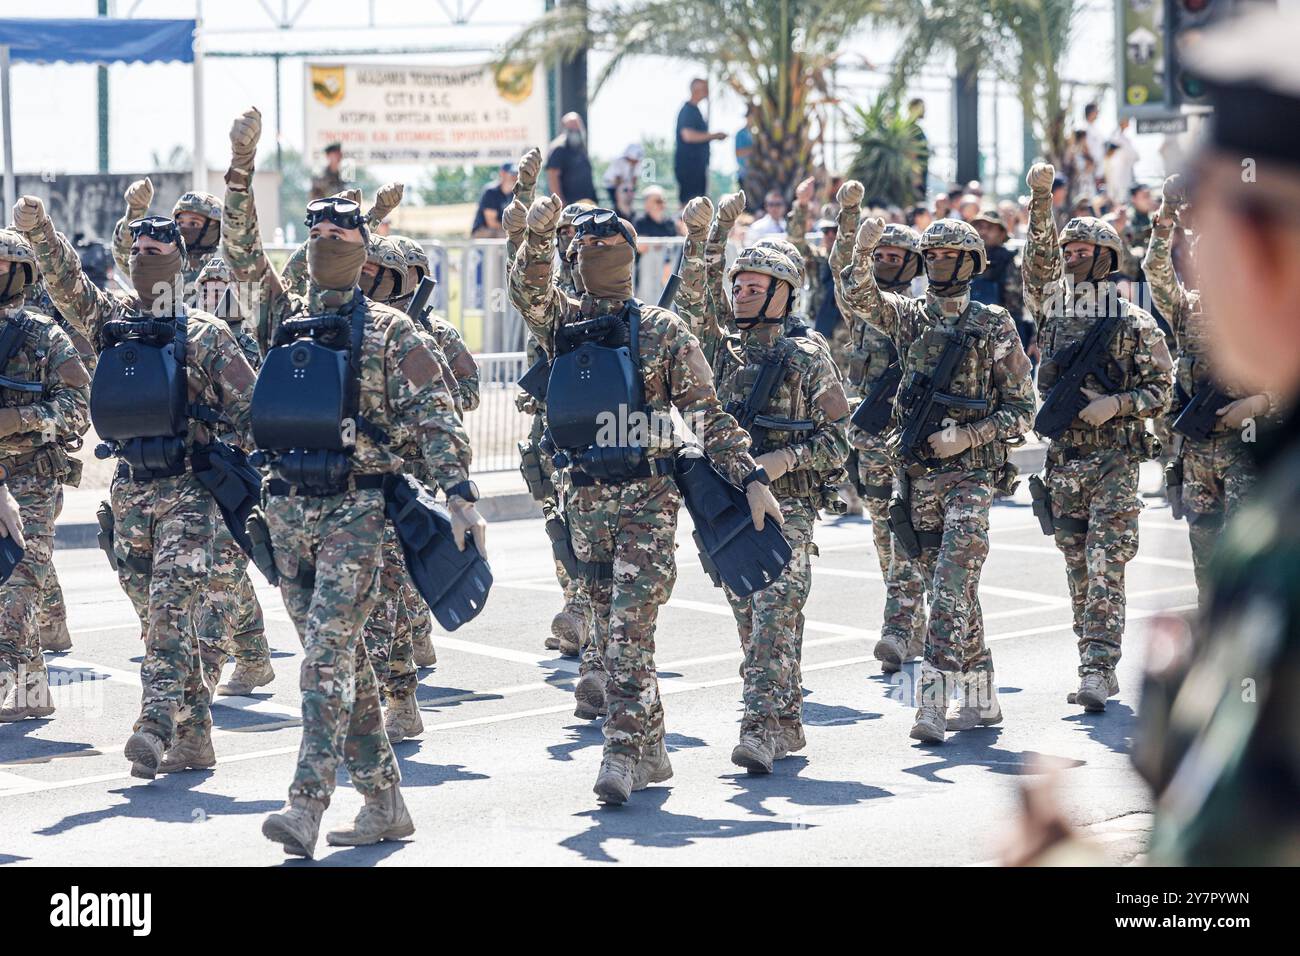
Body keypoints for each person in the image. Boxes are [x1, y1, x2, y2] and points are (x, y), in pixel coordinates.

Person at [220, 107, 484, 857]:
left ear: (365, 252)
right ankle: (386, 801)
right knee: (344, 665)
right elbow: (242, 255)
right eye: (317, 237)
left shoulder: (392, 330)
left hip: (358, 515)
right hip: (287, 516)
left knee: (325, 659)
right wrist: (241, 169)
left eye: (341, 238)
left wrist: (461, 494)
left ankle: (305, 805)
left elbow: (437, 419)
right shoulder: (283, 315)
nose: (326, 246)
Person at [509, 191, 778, 805]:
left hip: (647, 503)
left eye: (611, 246)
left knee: (630, 631)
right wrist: (539, 236)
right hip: (584, 504)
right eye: (589, 247)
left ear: (632, 257)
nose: (600, 254)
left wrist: (752, 479)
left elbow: (707, 415)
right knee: (604, 634)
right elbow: (529, 291)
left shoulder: (661, 330)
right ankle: (652, 749)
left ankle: (621, 756)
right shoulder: (562, 326)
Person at [15, 195, 258, 776]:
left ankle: (153, 724)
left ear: (179, 260)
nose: (147, 259)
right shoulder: (115, 323)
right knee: (154, 617)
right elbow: (69, 285)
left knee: (174, 609)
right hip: (131, 492)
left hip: (192, 491)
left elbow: (252, 413)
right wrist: (41, 230)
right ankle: (195, 736)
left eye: (158, 251)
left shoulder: (207, 334)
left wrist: (247, 475)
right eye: (139, 251)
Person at [841, 216, 1035, 743]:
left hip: (970, 477)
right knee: (952, 591)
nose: (940, 265)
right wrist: (857, 248)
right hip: (918, 478)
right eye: (933, 257)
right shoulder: (909, 317)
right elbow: (860, 299)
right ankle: (982, 698)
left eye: (951, 256)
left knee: (949, 587)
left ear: (972, 263)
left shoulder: (993, 323)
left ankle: (931, 702)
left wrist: (970, 437)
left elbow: (1023, 409)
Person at [676, 195, 850, 770]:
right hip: (727, 508)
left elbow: (839, 440)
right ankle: (787, 721)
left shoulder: (807, 357)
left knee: (775, 613)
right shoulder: (718, 351)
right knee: (753, 623)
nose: (742, 293)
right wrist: (710, 234)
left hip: (789, 510)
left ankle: (757, 728)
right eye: (739, 285)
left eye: (755, 286)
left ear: (782, 294)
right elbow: (692, 300)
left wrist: (784, 462)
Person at [1021, 162, 1174, 713]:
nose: (1071, 256)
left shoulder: (1133, 322)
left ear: (1106, 258)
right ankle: (1093, 658)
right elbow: (1037, 263)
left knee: (1107, 561)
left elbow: (1164, 387)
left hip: (1114, 462)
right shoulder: (1056, 313)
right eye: (1069, 249)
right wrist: (1041, 201)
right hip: (1065, 463)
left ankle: (1097, 666)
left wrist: (1119, 404)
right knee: (1077, 565)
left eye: (1082, 249)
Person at [1142, 174, 1269, 601]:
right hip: (1197, 450)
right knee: (1205, 549)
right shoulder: (1185, 308)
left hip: (1244, 447)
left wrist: (1258, 402)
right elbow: (1154, 270)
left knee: (1245, 551)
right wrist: (1166, 214)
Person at [831, 182, 930, 672]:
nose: (887, 260)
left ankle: (902, 625)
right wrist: (850, 217)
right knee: (880, 529)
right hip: (869, 434)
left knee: (906, 525)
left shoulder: (924, 313)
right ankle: (912, 622)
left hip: (912, 435)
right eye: (882, 254)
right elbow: (842, 269)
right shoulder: (860, 305)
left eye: (897, 255)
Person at [0, 230, 91, 723]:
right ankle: (33, 693)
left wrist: (23, 419)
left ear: (21, 273)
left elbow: (79, 407)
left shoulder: (44, 337)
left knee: (19, 581)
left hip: (31, 480)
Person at [674, 78, 726, 204]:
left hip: (698, 167)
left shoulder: (696, 110)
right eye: (705, 88)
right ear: (696, 90)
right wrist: (713, 136)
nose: (707, 91)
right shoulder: (688, 110)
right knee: (689, 204)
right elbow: (687, 135)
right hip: (689, 167)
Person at [545, 112, 596, 205]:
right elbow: (552, 176)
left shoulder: (580, 148)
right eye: (571, 128)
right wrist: (560, 204)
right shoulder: (559, 148)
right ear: (564, 128)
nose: (575, 130)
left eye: (577, 127)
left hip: (586, 204)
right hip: (570, 207)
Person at [471, 162, 519, 238]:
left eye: (516, 173)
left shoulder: (515, 194)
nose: (515, 176)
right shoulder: (491, 192)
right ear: (502, 174)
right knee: (506, 235)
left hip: (501, 230)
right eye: (512, 173)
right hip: (483, 231)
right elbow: (491, 223)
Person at [602, 144, 644, 220]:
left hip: (626, 186)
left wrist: (631, 189)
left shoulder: (637, 163)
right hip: (612, 185)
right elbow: (617, 180)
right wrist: (626, 187)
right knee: (618, 204)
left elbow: (634, 178)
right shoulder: (619, 162)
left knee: (628, 203)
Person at [1105, 117, 1139, 204]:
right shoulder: (1115, 137)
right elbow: (1108, 154)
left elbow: (1136, 156)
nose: (1128, 123)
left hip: (1126, 173)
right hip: (1117, 173)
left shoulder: (1126, 139)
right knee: (1118, 199)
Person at [734, 103, 757, 193]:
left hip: (757, 175)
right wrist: (754, 150)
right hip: (744, 175)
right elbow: (738, 152)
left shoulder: (758, 133)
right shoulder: (741, 134)